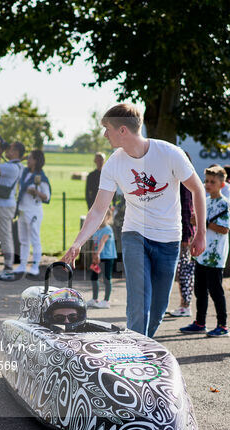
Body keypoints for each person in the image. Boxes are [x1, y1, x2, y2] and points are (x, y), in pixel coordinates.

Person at [61, 103, 207, 337]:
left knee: (158, 309)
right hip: (135, 235)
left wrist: (200, 233)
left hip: (169, 238)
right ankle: (134, 355)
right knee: (139, 302)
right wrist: (78, 242)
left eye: (107, 128)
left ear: (122, 131)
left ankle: (141, 347)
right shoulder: (114, 163)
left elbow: (197, 189)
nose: (104, 134)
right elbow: (99, 209)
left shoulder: (170, 153)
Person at [180, 165, 230, 337]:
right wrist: (196, 222)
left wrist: (204, 223)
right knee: (200, 289)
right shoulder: (206, 201)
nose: (208, 184)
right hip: (202, 254)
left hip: (215, 256)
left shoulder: (223, 204)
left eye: (212, 182)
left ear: (221, 184)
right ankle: (200, 322)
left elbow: (224, 229)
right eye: (207, 181)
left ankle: (222, 325)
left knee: (216, 291)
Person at [0, 138, 25, 280]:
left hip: (3, 206)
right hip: (6, 205)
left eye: (10, 148)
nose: (8, 150)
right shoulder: (17, 166)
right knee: (5, 236)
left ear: (16, 152)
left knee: (5, 237)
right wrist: (0, 152)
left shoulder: (11, 167)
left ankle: (8, 268)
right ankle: (7, 266)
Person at [15, 149, 51, 276]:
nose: (27, 160)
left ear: (36, 160)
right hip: (22, 210)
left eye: (30, 158)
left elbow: (47, 196)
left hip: (34, 211)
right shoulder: (24, 173)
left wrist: (35, 192)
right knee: (23, 239)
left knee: (35, 238)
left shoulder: (41, 177)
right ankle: (23, 264)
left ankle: (35, 265)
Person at [168, 181, 196, 317]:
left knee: (184, 271)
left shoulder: (184, 185)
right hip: (182, 232)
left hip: (183, 234)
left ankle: (186, 305)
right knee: (183, 271)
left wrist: (185, 236)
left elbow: (186, 210)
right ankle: (184, 304)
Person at [87, 208, 116, 308]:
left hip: (107, 257)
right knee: (94, 278)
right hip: (97, 258)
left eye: (103, 216)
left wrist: (98, 253)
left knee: (107, 278)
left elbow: (102, 242)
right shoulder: (96, 229)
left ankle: (106, 301)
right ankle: (94, 299)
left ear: (108, 217)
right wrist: (93, 256)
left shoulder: (108, 229)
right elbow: (94, 243)